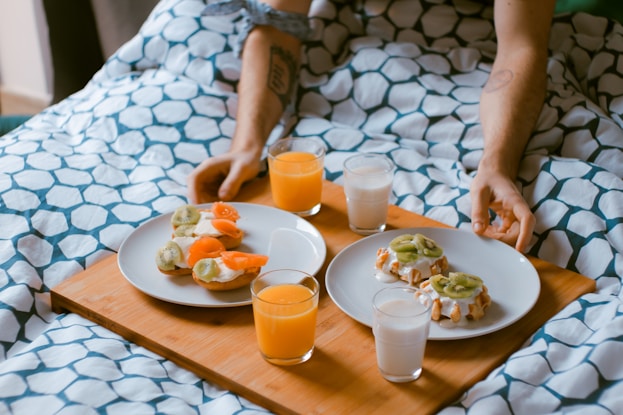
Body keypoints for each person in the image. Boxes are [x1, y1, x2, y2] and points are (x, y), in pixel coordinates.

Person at [187, 0, 555, 254]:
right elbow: (277, 23)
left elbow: (520, 46)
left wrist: (497, 164)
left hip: (475, 48)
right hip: (338, 30)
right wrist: (247, 145)